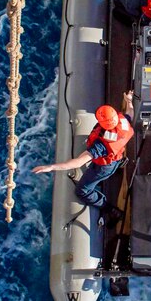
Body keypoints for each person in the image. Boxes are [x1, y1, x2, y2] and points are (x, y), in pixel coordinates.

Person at [32, 91, 135, 223]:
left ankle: (110, 209)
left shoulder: (101, 145)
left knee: (82, 191)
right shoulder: (123, 122)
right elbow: (130, 113)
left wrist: (51, 167)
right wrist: (129, 101)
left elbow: (78, 163)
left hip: (103, 167)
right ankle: (118, 167)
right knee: (113, 163)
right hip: (116, 157)